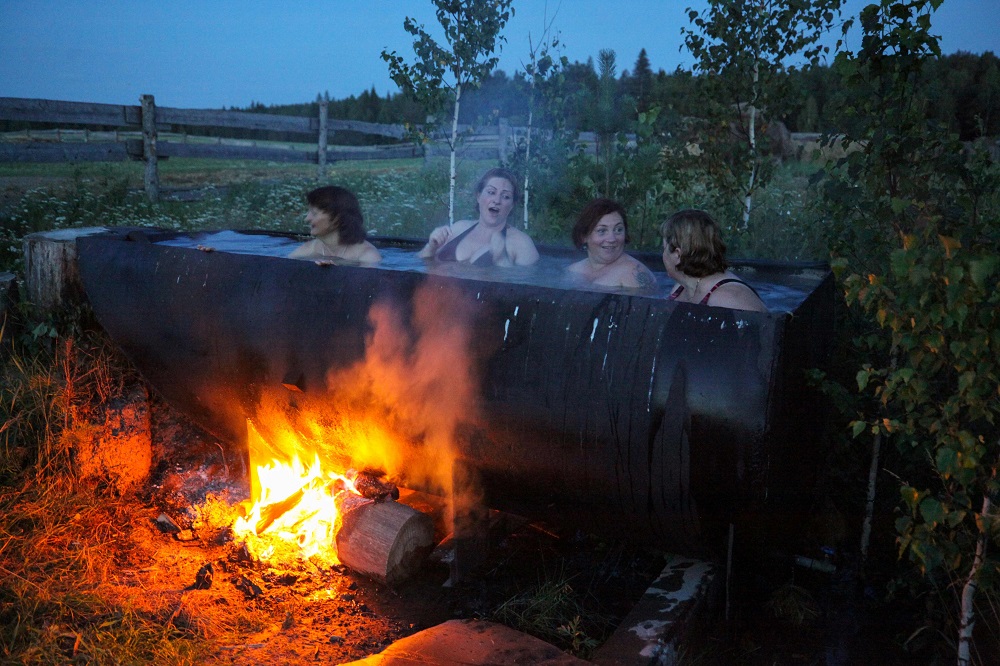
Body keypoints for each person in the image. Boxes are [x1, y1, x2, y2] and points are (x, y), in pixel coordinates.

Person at [418, 167, 539, 267]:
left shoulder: (522, 243)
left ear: (512, 205)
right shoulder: (459, 228)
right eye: (491, 192)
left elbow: (528, 290)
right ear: (478, 195)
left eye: (506, 196)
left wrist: (501, 259)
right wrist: (431, 246)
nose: (497, 200)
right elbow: (418, 265)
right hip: (435, 293)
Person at [660, 209, 767, 312]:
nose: (663, 255)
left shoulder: (729, 299)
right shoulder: (681, 288)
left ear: (678, 255)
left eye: (663, 248)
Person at [566, 198, 656, 289]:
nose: (612, 239)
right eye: (602, 231)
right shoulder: (573, 270)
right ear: (583, 236)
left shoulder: (632, 273)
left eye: (618, 230)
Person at [289, 186, 382, 263]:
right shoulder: (308, 250)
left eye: (314, 213)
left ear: (337, 218)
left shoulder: (367, 255)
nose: (307, 219)